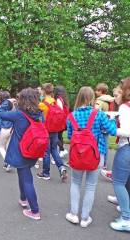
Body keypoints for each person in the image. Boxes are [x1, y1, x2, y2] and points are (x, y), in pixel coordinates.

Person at [65, 86, 116, 228]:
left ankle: (74, 214)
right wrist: (110, 120)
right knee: (90, 186)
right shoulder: (98, 114)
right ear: (92, 98)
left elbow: (69, 136)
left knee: (75, 183)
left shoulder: (71, 116)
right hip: (95, 154)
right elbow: (112, 130)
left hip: (77, 155)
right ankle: (85, 218)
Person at [0, 88, 42, 220]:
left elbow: (0, 113)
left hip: (21, 151)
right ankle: (23, 199)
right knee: (23, 174)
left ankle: (35, 211)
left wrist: (6, 102)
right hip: (33, 149)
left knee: (27, 179)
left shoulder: (19, 115)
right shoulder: (39, 113)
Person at [110, 77, 130, 232]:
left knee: (118, 181)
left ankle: (126, 219)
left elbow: (126, 131)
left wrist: (110, 128)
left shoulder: (125, 107)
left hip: (127, 147)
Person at [37, 83, 67, 181]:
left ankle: (46, 173)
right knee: (54, 150)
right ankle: (61, 167)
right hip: (54, 129)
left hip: (45, 130)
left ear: (43, 91)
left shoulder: (42, 104)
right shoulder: (55, 102)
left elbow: (38, 118)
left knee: (46, 151)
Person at [0, 91, 14, 172]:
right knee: (8, 146)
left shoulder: (2, 107)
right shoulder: (13, 104)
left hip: (5, 127)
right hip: (12, 127)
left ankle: (7, 162)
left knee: (0, 146)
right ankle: (8, 162)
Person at [54, 86, 69, 158]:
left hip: (60, 121)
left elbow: (59, 111)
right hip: (64, 121)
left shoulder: (58, 100)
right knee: (59, 136)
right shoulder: (64, 99)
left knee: (55, 136)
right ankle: (61, 151)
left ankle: (62, 150)